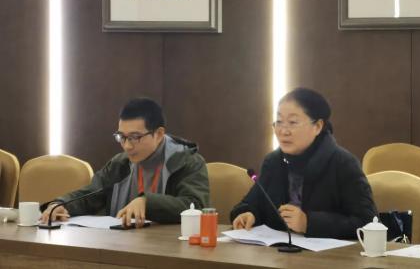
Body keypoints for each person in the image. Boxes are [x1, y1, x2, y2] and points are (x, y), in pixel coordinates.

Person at [230, 88, 377, 239]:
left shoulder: (343, 164)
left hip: (329, 253)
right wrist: (248, 214)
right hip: (276, 251)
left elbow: (368, 223)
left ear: (317, 126)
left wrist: (309, 222)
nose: (283, 131)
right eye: (279, 122)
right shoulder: (273, 162)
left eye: (292, 122)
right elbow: (251, 203)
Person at [41, 97, 209, 228]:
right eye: (122, 137)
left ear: (158, 134)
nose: (127, 146)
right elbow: (90, 194)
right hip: (122, 246)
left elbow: (196, 206)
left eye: (135, 137)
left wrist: (147, 202)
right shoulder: (120, 164)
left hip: (169, 248)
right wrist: (61, 204)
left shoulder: (187, 161)